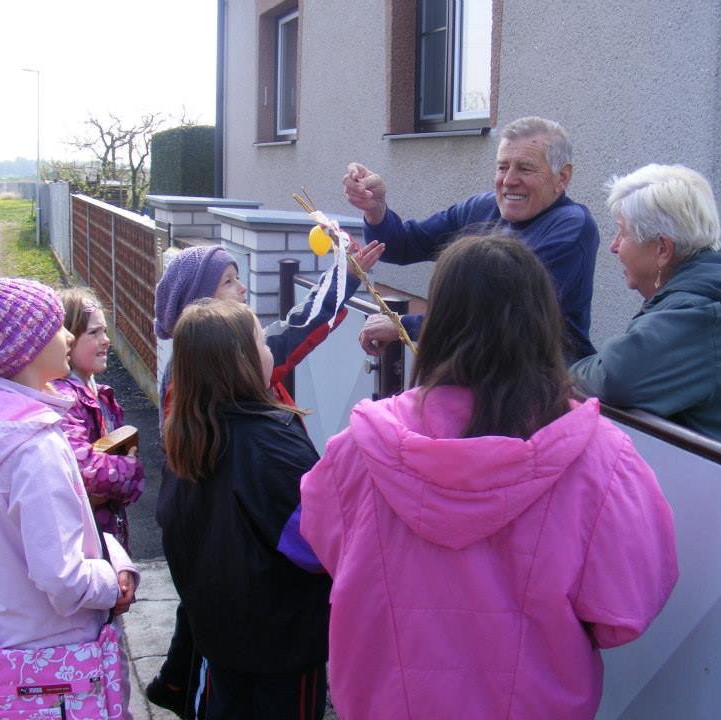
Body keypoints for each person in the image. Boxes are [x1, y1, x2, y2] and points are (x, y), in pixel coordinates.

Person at [300, 235, 678, 719]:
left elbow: (324, 545)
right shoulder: (602, 459)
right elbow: (624, 611)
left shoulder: (358, 448)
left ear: (439, 322)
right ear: (543, 324)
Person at [148, 241, 383, 717]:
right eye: (228, 281)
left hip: (223, 622)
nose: (242, 289)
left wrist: (342, 277)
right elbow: (314, 540)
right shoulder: (265, 442)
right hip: (278, 635)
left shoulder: (191, 410)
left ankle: (178, 680)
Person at [0, 278, 138, 704]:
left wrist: (111, 555)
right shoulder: (33, 446)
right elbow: (62, 578)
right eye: (57, 327)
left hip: (18, 647)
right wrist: (113, 580)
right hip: (64, 664)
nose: (69, 336)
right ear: (27, 347)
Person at [160, 299, 331, 720]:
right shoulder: (272, 443)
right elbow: (317, 546)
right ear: (241, 360)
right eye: (262, 339)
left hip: (217, 637)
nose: (270, 346)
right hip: (282, 647)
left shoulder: (184, 436)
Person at [570, 164, 721, 461]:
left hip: (719, 487)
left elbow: (612, 377)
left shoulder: (698, 314)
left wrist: (556, 375)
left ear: (663, 249)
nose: (614, 246)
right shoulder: (710, 294)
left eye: (622, 233)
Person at [343, 115, 600, 360]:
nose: (509, 180)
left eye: (525, 168)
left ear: (562, 178)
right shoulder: (481, 208)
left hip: (541, 378)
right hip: (476, 370)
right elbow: (402, 246)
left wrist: (405, 326)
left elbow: (510, 312)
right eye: (502, 167)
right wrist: (375, 208)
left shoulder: (570, 225)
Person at [52, 287, 145, 551]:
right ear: (67, 339)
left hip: (107, 529)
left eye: (104, 331)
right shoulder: (63, 399)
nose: (105, 340)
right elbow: (86, 473)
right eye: (93, 333)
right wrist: (132, 469)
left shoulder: (99, 394)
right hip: (83, 542)